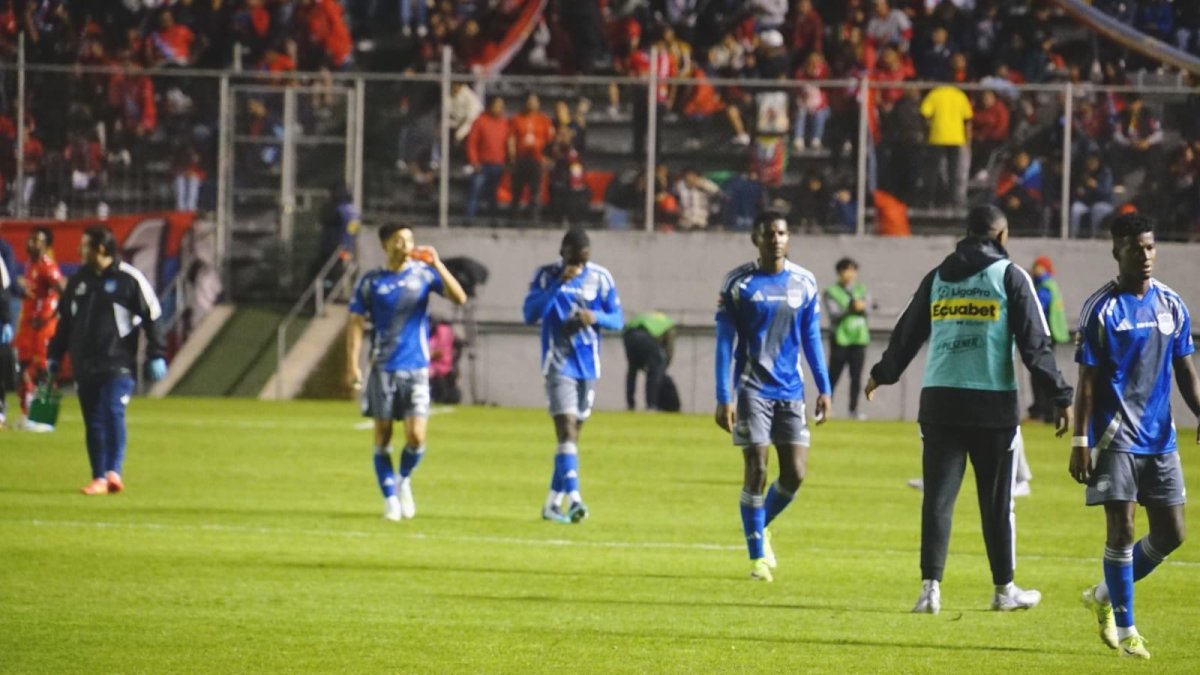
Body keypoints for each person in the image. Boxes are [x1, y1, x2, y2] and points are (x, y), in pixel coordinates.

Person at [864, 205, 1074, 613]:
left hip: (940, 399)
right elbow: (1035, 346)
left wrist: (881, 374)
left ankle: (930, 591)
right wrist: (1060, 395)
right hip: (991, 402)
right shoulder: (1010, 276)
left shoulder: (938, 276)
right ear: (1001, 236)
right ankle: (1003, 591)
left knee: (938, 500)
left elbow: (907, 332)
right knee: (997, 503)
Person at [1072, 213, 1200, 660]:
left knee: (1172, 534)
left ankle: (1105, 594)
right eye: (1134, 248)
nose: (1144, 256)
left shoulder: (1172, 305)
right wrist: (1079, 440)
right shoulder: (1101, 309)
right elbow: (1086, 382)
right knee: (1122, 528)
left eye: (1149, 247)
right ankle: (1128, 633)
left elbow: (1185, 368)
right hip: (1114, 437)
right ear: (1116, 252)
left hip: (1161, 439)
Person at [715, 211, 833, 582]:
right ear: (756, 238)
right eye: (769, 233)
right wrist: (724, 395)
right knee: (758, 469)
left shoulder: (804, 282)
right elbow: (723, 343)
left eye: (782, 232)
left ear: (789, 237)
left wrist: (824, 387)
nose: (776, 239)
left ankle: (760, 525)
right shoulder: (739, 283)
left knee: (795, 473)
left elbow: (811, 339)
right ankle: (757, 560)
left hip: (791, 390)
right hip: (752, 388)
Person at [345, 224, 468, 522]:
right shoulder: (371, 281)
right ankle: (390, 500)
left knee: (415, 436)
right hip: (383, 368)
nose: (405, 245)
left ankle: (403, 480)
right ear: (385, 245)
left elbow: (459, 298)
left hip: (416, 369)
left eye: (409, 239)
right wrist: (352, 364)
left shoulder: (423, 274)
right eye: (399, 240)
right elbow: (356, 324)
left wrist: (437, 263)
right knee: (383, 435)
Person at [47, 225, 168, 495]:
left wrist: (156, 353)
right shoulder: (78, 281)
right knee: (93, 421)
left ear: (101, 248)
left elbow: (153, 316)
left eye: (85, 244)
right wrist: (54, 355)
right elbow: (65, 322)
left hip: (118, 363)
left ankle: (114, 471)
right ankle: (98, 477)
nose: (80, 250)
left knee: (113, 410)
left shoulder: (129, 279)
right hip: (85, 365)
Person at [522, 228, 623, 524]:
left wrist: (595, 317)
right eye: (575, 258)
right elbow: (529, 314)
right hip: (558, 363)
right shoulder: (545, 276)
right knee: (566, 430)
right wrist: (556, 286)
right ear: (562, 251)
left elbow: (618, 319)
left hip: (588, 366)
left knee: (571, 439)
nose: (579, 265)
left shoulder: (601, 278)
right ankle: (576, 500)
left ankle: (552, 504)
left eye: (584, 259)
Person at [16, 226, 63, 429]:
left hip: (44, 328)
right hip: (29, 328)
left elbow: (63, 292)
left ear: (46, 245)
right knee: (25, 370)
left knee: (43, 370)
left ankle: (46, 419)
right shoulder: (31, 265)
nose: (30, 243)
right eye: (30, 239)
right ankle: (29, 416)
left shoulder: (47, 266)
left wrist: (49, 316)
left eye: (36, 240)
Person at [824, 257, 870, 419]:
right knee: (832, 376)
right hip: (840, 339)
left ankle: (853, 410)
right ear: (839, 272)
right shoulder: (831, 291)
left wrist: (863, 306)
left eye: (853, 270)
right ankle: (825, 407)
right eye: (847, 270)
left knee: (856, 378)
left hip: (859, 339)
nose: (850, 274)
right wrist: (851, 307)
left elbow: (868, 308)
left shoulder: (861, 290)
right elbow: (834, 314)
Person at [1027, 256, 1070, 424]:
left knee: (1039, 373)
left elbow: (1036, 308)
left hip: (1044, 335)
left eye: (1036, 267)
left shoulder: (1043, 287)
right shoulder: (1050, 285)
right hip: (1052, 335)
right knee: (1045, 372)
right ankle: (1046, 411)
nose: (1033, 269)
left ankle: (1041, 411)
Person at [623, 311, 676, 412]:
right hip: (646, 337)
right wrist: (663, 368)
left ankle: (630, 404)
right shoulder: (668, 323)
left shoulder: (645, 316)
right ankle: (651, 405)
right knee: (655, 371)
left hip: (628, 336)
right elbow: (669, 348)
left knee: (632, 369)